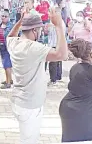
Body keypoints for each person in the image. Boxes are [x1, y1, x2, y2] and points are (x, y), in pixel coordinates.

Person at [7, 8, 68, 144]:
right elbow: (62, 55)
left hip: (19, 101)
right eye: (39, 29)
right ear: (35, 30)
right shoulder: (33, 48)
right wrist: (58, 26)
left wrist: (20, 21)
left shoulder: (13, 43)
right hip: (30, 105)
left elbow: (10, 36)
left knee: (27, 138)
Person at [0, 10, 16, 89]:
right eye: (2, 16)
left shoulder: (11, 26)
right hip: (1, 48)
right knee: (5, 65)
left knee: (7, 65)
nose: (4, 18)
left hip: (8, 48)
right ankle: (9, 79)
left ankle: (8, 83)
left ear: (9, 17)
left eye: (5, 16)